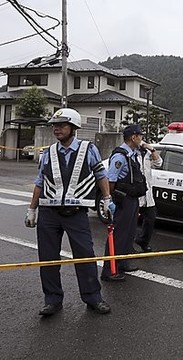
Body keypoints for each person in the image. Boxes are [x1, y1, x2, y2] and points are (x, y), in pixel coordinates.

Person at [24, 108, 114, 316]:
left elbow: (101, 175)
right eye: (55, 126)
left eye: (62, 125)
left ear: (74, 128)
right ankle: (52, 300)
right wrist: (32, 209)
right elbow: (39, 181)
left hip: (76, 213)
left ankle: (93, 298)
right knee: (48, 258)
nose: (57, 129)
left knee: (85, 255)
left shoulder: (88, 149)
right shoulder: (47, 152)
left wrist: (107, 199)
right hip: (49, 213)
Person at [101, 124, 147, 282]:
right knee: (119, 233)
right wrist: (112, 199)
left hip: (132, 198)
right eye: (140, 135)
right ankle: (109, 270)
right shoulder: (120, 156)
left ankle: (123, 262)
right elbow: (111, 179)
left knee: (129, 232)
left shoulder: (132, 154)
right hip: (123, 199)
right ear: (133, 137)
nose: (142, 138)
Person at [134, 141, 163, 252]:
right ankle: (127, 247)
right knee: (131, 221)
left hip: (147, 194)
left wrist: (152, 150)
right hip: (135, 193)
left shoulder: (146, 153)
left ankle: (143, 241)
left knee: (150, 218)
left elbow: (158, 163)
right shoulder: (130, 153)